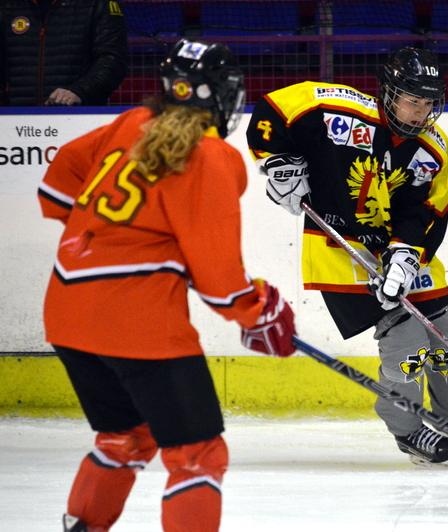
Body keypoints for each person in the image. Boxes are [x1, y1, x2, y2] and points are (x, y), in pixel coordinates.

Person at [38, 39, 296, 532]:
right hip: (138, 323)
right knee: (197, 454)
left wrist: (111, 240)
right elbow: (220, 282)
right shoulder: (212, 155)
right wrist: (258, 311)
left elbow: (57, 184)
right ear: (221, 93)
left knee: (125, 436)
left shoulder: (130, 122)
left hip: (67, 310)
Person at [246, 47, 448, 468]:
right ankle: (407, 429)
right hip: (338, 248)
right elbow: (272, 111)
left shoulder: (434, 150)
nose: (421, 113)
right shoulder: (337, 111)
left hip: (399, 250)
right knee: (405, 338)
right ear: (389, 93)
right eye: (413, 101)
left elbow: (428, 214)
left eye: (429, 103)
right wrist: (279, 163)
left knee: (446, 335)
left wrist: (406, 256)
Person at [0, 0, 128, 105]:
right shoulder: (6, 6)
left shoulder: (98, 4)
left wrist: (80, 91)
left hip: (78, 116)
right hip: (13, 119)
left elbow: (113, 59)